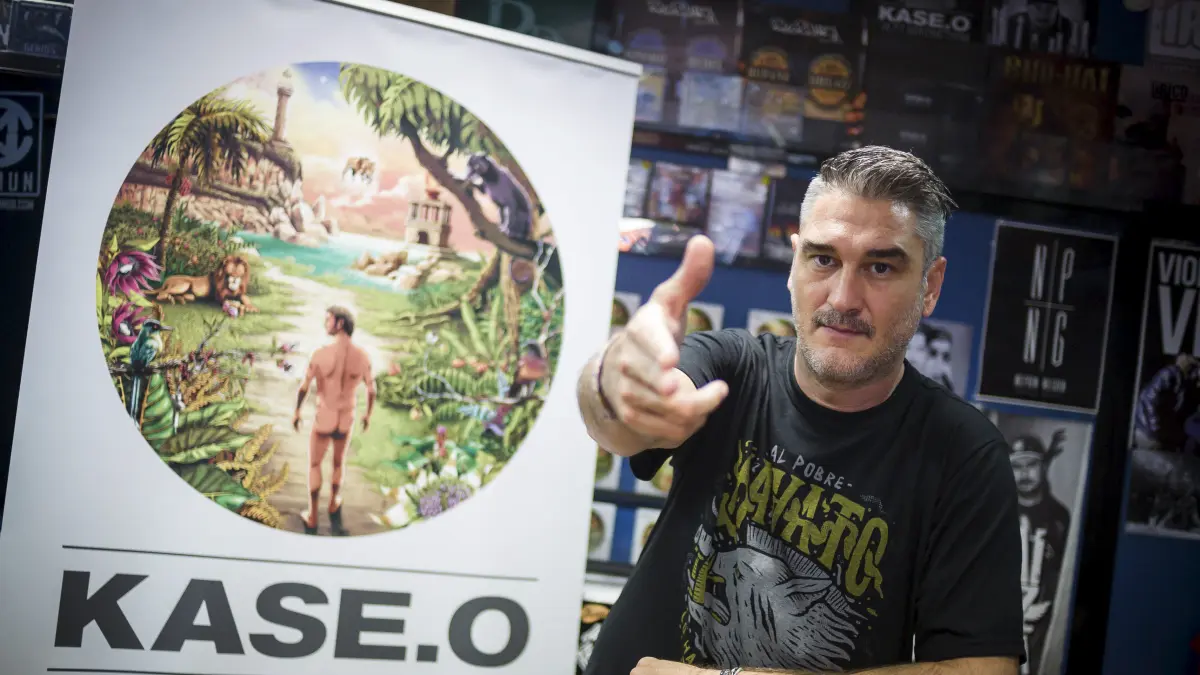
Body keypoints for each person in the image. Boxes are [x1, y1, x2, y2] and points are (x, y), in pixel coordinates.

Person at [576, 146, 1024, 675]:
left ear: (930, 286)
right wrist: (613, 381)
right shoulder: (732, 369)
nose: (843, 297)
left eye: (880, 266)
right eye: (823, 259)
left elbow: (984, 670)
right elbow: (615, 423)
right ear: (794, 264)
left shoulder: (962, 454)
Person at [293, 305, 375, 536]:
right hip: (345, 418)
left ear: (340, 323)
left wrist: (297, 411)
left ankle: (312, 515)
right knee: (339, 464)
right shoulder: (362, 356)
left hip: (324, 417)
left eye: (328, 319)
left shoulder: (320, 354)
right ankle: (333, 503)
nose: (325, 323)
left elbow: (304, 387)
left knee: (315, 465)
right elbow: (372, 389)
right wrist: (367, 414)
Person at [1007, 432, 1070, 675]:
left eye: (1031, 464)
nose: (1024, 473)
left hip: (1042, 620)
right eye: (1017, 466)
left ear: (1043, 466)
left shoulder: (1060, 518)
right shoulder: (996, 511)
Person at [1133, 354, 1200, 451]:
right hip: (1149, 432)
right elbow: (1150, 399)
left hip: (1154, 432)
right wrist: (1155, 429)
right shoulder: (1169, 375)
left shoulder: (1181, 382)